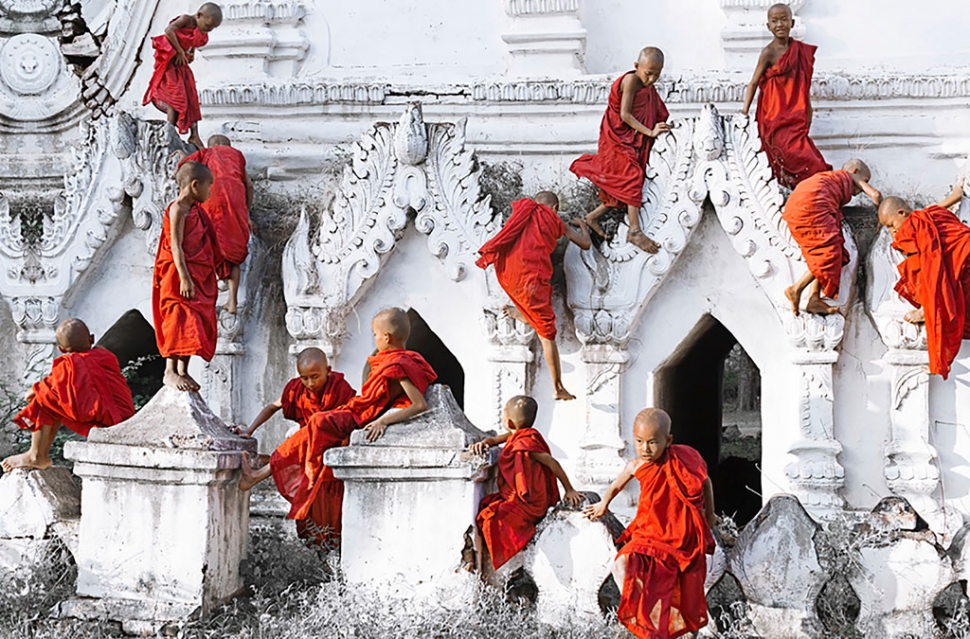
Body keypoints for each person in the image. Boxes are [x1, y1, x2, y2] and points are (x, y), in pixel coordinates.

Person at [238, 308, 437, 526]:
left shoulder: (399, 364)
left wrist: (383, 421)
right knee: (310, 429)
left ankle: (295, 472)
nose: (375, 339)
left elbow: (419, 404)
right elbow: (274, 405)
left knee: (317, 422)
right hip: (355, 410)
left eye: (375, 335)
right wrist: (249, 430)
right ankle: (261, 474)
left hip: (360, 417)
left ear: (386, 337)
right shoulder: (393, 361)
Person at [584, 408, 716, 639]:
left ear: (668, 440)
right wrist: (603, 504)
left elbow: (705, 482)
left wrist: (710, 515)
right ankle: (649, 613)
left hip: (680, 532)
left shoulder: (684, 460)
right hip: (649, 530)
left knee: (684, 584)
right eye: (639, 441)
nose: (645, 449)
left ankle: (679, 628)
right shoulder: (636, 465)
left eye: (653, 442)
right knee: (621, 565)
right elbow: (616, 486)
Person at [233, 347, 355, 547]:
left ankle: (258, 474)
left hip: (329, 451)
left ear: (329, 370)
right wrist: (250, 430)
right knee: (310, 511)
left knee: (331, 512)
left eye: (315, 377)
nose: (310, 383)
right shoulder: (297, 389)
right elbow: (273, 406)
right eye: (304, 378)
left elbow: (351, 420)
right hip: (306, 452)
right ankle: (318, 557)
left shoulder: (341, 389)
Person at [476, 192, 591, 400]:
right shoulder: (555, 220)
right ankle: (558, 387)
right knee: (547, 333)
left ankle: (521, 313)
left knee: (534, 311)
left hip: (505, 273)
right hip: (530, 281)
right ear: (555, 208)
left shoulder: (521, 211)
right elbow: (585, 244)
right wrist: (583, 225)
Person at [570, 47, 671, 253]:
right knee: (631, 178)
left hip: (631, 137)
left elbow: (658, 111)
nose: (652, 79)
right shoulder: (631, 80)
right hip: (616, 137)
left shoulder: (647, 86)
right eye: (648, 73)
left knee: (624, 185)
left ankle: (591, 217)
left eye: (657, 75)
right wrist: (650, 132)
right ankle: (634, 231)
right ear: (636, 67)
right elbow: (625, 114)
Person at [1, 319, 135, 472]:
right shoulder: (106, 356)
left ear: (61, 349)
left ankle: (36, 455)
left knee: (43, 399)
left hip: (102, 418)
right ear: (91, 338)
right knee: (53, 397)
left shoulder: (68, 364)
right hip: (126, 415)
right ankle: (39, 455)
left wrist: (35, 390)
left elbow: (45, 389)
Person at [470, 395, 584, 571]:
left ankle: (511, 562)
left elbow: (552, 463)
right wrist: (484, 442)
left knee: (491, 518)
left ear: (508, 421)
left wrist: (569, 489)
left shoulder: (527, 443)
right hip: (515, 498)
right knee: (488, 506)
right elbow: (494, 440)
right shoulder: (516, 436)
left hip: (531, 503)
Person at [878, 195, 970, 379]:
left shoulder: (913, 226)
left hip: (962, 261)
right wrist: (959, 193)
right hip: (965, 259)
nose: (892, 231)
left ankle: (940, 357)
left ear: (901, 212)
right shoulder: (931, 214)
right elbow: (941, 207)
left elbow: (930, 266)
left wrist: (927, 304)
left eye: (890, 225)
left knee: (915, 267)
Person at [741, 3, 829, 189]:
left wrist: (809, 112)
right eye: (774, 21)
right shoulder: (768, 52)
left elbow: (803, 86)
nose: (779, 24)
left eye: (784, 19)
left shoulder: (800, 51)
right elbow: (754, 83)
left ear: (792, 22)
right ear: (768, 26)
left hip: (796, 115)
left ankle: (816, 194)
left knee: (812, 162)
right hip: (773, 118)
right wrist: (743, 112)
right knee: (780, 158)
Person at [783, 159, 882, 315]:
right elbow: (876, 195)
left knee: (831, 250)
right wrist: (881, 219)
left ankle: (814, 299)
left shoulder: (829, 179)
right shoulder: (849, 176)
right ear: (855, 171)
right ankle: (796, 289)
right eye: (866, 180)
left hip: (796, 205)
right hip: (810, 205)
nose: (862, 188)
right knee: (830, 253)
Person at [153, 161, 220, 391]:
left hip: (195, 274)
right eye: (208, 187)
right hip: (178, 275)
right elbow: (176, 245)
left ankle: (183, 370)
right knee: (178, 320)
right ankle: (169, 370)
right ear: (194, 185)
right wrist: (184, 277)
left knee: (193, 326)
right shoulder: (177, 209)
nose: (209, 192)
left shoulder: (195, 211)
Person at [179, 135, 255, 314]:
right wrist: (246, 213)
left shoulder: (206, 154)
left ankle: (205, 298)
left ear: (212, 145)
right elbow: (249, 186)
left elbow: (185, 169)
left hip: (211, 201)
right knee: (234, 254)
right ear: (229, 145)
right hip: (235, 204)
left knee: (208, 247)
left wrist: (183, 154)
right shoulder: (237, 156)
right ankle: (232, 301)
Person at [143, 3, 223, 148]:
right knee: (176, 97)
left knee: (191, 96)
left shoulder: (198, 28)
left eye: (212, 28)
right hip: (170, 64)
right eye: (207, 25)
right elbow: (169, 30)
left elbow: (192, 41)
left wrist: (191, 52)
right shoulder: (186, 19)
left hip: (181, 66)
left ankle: (194, 134)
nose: (208, 30)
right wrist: (180, 51)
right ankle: (170, 130)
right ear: (199, 15)